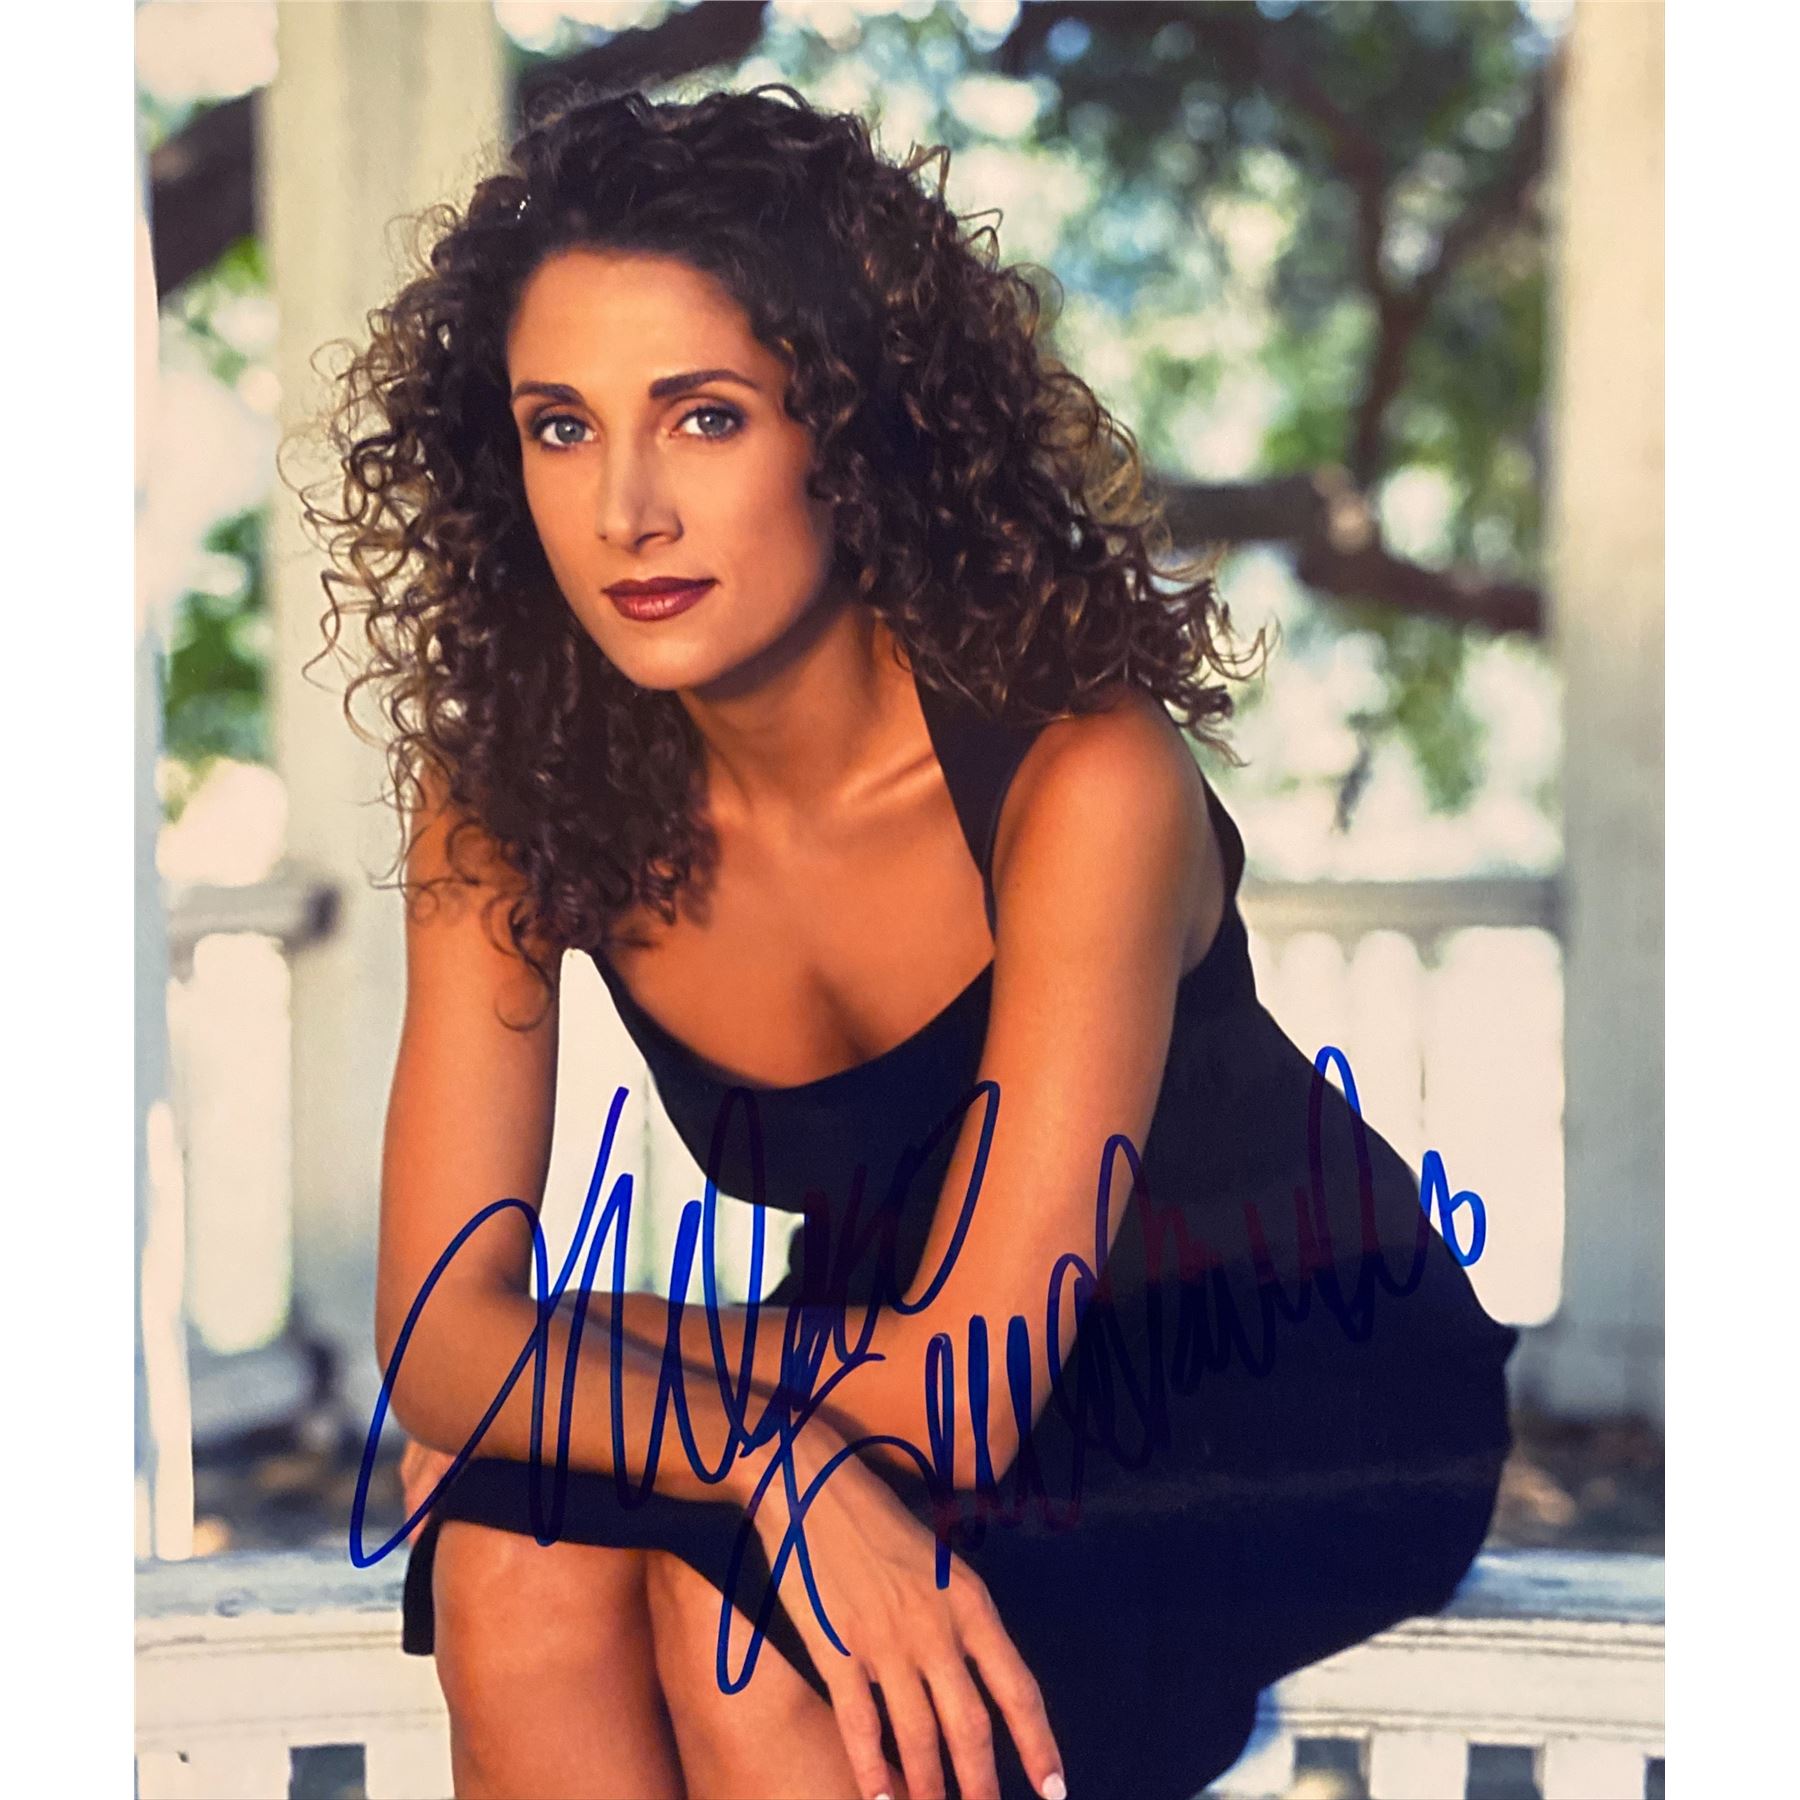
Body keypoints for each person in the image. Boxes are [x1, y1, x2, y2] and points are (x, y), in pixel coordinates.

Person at [301, 83, 1520, 1800]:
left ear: (853, 432)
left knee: (739, 1642)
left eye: (705, 417)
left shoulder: (1083, 775)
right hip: (869, 1354)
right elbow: (437, 1344)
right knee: (514, 1566)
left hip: (1268, 1385)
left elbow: (962, 1389)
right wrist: (754, 1455)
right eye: (560, 426)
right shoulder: (509, 791)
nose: (627, 508)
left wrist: (579, 1347)